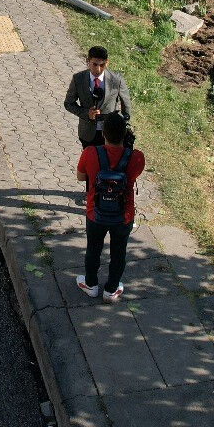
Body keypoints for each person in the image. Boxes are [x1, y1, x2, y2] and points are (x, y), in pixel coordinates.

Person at [75, 111, 144, 303]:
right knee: (119, 252)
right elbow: (134, 175)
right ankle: (111, 289)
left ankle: (91, 285)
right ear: (125, 134)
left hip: (95, 213)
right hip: (124, 215)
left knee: (93, 249)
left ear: (103, 133)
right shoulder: (137, 157)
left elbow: (80, 177)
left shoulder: (90, 153)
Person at [64, 45, 133, 149]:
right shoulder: (78, 79)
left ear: (107, 63)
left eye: (102, 65)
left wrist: (122, 126)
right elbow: (68, 103)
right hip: (88, 134)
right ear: (88, 61)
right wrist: (87, 113)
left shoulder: (116, 79)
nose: (98, 69)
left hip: (111, 135)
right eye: (95, 64)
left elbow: (126, 105)